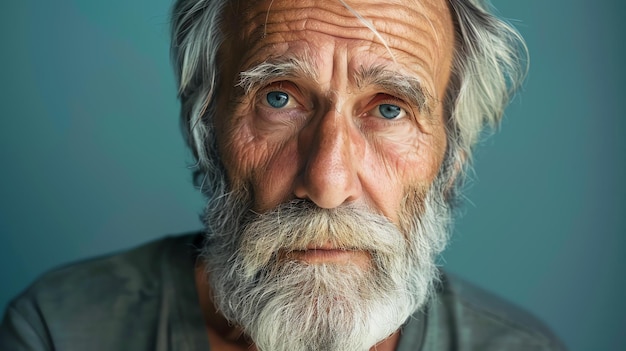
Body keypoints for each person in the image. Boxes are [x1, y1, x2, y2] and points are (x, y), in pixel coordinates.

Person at [0, 0, 566, 350]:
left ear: (452, 155)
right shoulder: (60, 329)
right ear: (206, 130)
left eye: (390, 108)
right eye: (278, 97)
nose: (326, 183)